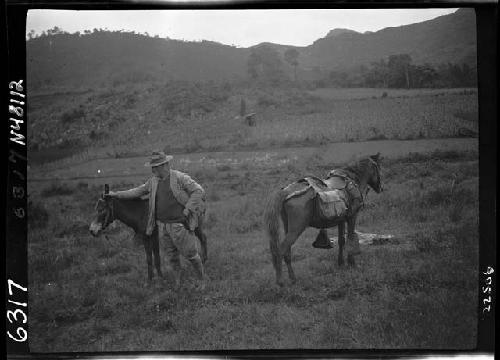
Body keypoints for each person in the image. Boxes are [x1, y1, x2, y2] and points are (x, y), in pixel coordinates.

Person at [107, 150, 207, 290]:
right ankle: (178, 282)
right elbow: (137, 191)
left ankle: (201, 280)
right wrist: (116, 194)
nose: (153, 169)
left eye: (156, 166)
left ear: (165, 165)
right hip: (163, 226)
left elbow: (199, 191)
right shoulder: (153, 182)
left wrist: (188, 208)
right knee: (172, 257)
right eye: (152, 167)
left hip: (180, 225)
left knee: (191, 255)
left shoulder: (179, 177)